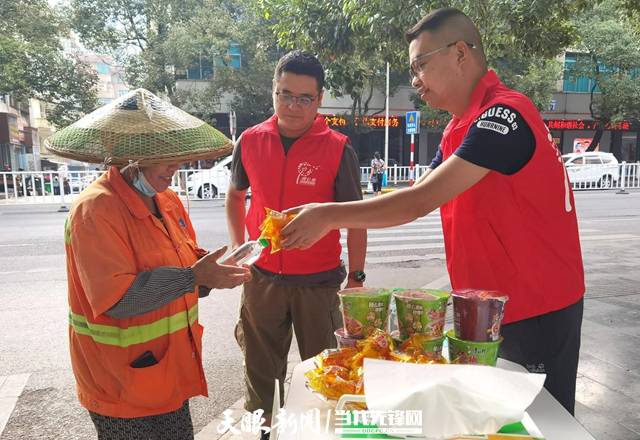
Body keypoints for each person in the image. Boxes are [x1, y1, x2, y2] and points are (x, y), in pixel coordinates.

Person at [280, 8, 585, 415]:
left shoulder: (504, 115)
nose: (415, 80)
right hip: (485, 308)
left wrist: (328, 215)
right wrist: (331, 211)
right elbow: (419, 194)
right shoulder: (459, 126)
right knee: (489, 418)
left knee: (535, 421)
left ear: (461, 53)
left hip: (536, 309)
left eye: (420, 64)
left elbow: (418, 202)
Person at [48, 89, 251, 440]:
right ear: (130, 156)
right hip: (120, 385)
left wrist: (213, 273)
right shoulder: (95, 211)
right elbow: (118, 300)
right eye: (163, 156)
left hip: (168, 374)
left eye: (176, 154)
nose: (176, 165)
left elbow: (184, 264)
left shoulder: (167, 200)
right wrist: (193, 277)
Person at [226, 50, 367, 437]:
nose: (293, 105)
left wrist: (356, 278)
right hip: (262, 280)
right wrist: (240, 252)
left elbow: (356, 218)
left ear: (320, 99)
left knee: (324, 375)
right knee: (260, 374)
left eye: (305, 98)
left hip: (318, 285)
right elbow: (235, 196)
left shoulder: (338, 148)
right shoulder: (251, 140)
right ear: (274, 91)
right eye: (285, 94)